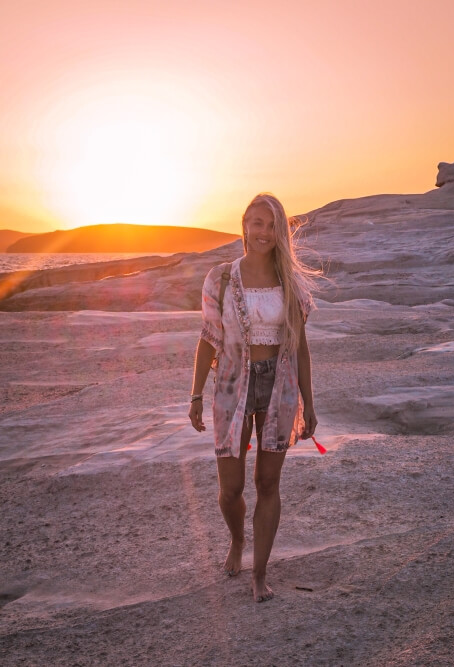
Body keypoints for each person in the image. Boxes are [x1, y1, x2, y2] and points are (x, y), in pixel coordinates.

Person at [188, 192, 318, 603]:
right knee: (230, 489)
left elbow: (300, 347)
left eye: (272, 225)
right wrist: (194, 395)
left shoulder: (290, 282)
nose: (264, 232)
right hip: (230, 386)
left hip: (278, 386)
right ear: (244, 226)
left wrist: (309, 403)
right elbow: (208, 339)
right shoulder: (221, 278)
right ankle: (237, 540)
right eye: (257, 223)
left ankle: (260, 574)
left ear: (281, 233)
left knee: (267, 482)